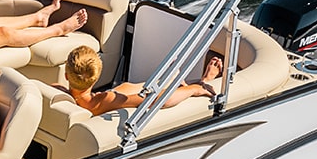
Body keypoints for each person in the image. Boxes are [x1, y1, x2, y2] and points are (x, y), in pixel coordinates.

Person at [61, 45, 227, 116]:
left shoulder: (57, 91)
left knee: (127, 87)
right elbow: (161, 99)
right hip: (133, 97)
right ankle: (202, 80)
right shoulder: (105, 100)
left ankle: (170, 79)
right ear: (96, 77)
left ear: (67, 75)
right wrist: (195, 89)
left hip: (87, 100)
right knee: (125, 89)